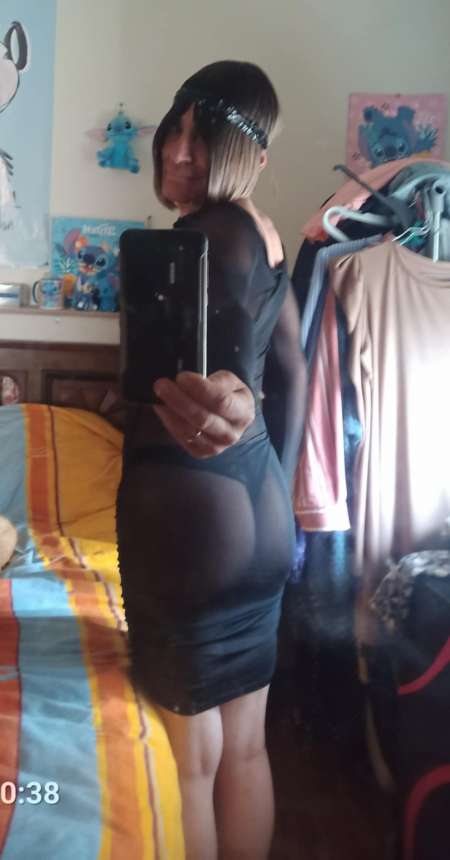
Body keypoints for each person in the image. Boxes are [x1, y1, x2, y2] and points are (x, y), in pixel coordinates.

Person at [116, 60, 307, 860]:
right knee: (247, 749)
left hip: (193, 524)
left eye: (205, 138)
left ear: (249, 155)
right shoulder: (263, 233)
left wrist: (227, 411)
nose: (179, 151)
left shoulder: (206, 238)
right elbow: (289, 372)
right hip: (258, 518)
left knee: (192, 766)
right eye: (177, 129)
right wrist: (278, 483)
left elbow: (216, 392)